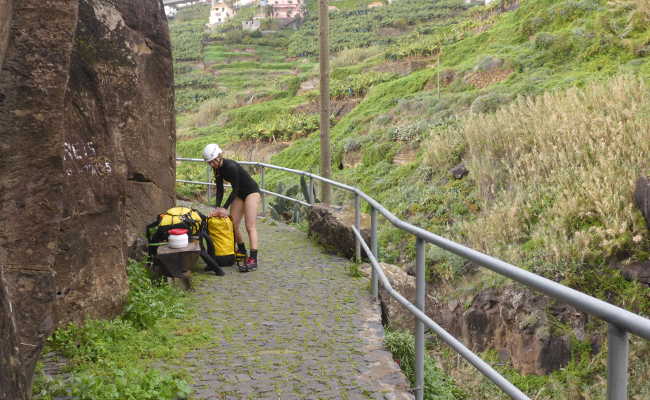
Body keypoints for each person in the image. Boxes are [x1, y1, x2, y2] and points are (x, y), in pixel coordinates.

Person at [203, 143, 260, 272]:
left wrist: (225, 207)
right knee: (232, 223)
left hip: (251, 192)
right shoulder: (217, 168)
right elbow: (219, 189)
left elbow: (236, 188)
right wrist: (218, 207)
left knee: (250, 226)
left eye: (212, 162)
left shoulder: (230, 166)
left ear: (219, 156)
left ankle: (253, 259)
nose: (211, 165)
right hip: (239, 194)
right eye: (209, 163)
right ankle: (241, 250)